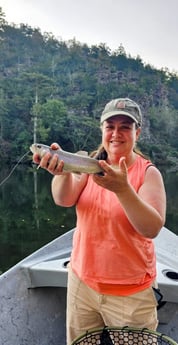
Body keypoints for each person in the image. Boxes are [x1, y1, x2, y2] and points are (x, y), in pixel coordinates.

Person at [33, 97, 166, 345]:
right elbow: (64, 199)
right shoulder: (88, 164)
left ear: (137, 132)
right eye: (110, 126)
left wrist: (123, 189)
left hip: (131, 293)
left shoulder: (148, 173)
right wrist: (61, 174)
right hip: (81, 284)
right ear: (102, 130)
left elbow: (152, 228)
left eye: (125, 126)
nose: (116, 133)